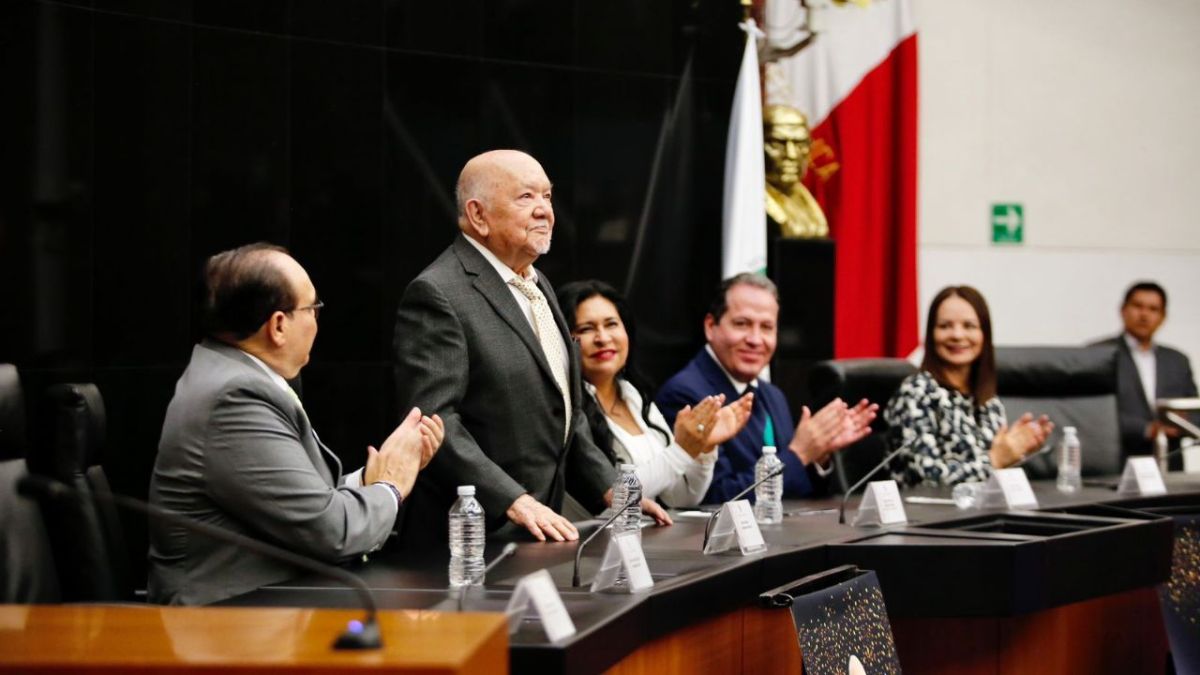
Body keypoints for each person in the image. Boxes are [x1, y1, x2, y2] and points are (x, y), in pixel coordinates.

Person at [394, 150, 669, 545]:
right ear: (478, 215)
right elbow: (436, 423)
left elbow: (564, 413)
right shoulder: (438, 294)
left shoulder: (537, 283)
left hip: (537, 535)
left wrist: (613, 489)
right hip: (469, 542)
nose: (544, 211)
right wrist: (514, 500)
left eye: (548, 196)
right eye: (526, 198)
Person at [148, 243, 444, 605]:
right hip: (228, 624)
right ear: (277, 325)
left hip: (270, 606)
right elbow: (333, 532)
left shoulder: (232, 374)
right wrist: (390, 487)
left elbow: (306, 502)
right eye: (313, 308)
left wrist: (371, 479)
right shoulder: (234, 398)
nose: (318, 319)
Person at [655, 273, 877, 503]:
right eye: (742, 324)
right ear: (711, 326)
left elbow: (798, 492)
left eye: (767, 327)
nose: (755, 339)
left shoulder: (773, 395)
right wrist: (799, 454)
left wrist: (817, 456)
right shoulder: (687, 396)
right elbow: (715, 500)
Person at [557, 280, 754, 507]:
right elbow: (616, 497)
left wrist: (704, 449)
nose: (603, 338)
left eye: (611, 324)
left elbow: (681, 497)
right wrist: (681, 450)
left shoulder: (635, 397)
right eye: (586, 329)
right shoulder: (566, 407)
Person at [885, 285, 1052, 487]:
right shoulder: (916, 393)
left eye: (969, 326)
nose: (957, 335)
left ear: (984, 334)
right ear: (931, 334)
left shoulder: (988, 400)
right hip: (928, 515)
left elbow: (988, 475)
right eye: (945, 326)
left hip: (983, 512)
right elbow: (925, 478)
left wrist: (1016, 451)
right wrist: (996, 460)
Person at [1090, 281, 1197, 458]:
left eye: (1153, 309)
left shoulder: (1178, 361)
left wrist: (1181, 424)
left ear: (1163, 317)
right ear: (1123, 310)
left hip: (1170, 463)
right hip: (1118, 462)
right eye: (1138, 306)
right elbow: (1091, 413)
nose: (1144, 314)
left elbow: (1194, 412)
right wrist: (1147, 429)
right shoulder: (1098, 355)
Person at [764, 104, 829, 239]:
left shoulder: (806, 200)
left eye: (800, 144)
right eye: (778, 143)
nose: (791, 154)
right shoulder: (750, 203)